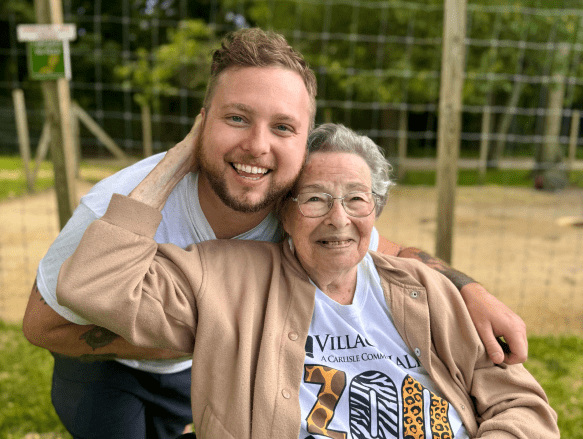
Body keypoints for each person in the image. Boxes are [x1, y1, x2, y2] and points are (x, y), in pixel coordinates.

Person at [23, 28, 527, 439]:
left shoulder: (295, 203)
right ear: (202, 124)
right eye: (236, 118)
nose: (257, 146)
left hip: (202, 363)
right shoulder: (118, 204)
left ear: (305, 141)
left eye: (283, 128)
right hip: (109, 368)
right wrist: (215, 338)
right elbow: (42, 327)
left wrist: (469, 290)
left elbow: (385, 250)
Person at [56, 123, 559, 439]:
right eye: (316, 198)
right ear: (284, 213)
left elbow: (521, 405)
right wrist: (185, 155)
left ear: (376, 210)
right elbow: (95, 286)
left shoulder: (425, 289)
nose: (339, 220)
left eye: (357, 199)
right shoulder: (228, 277)